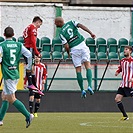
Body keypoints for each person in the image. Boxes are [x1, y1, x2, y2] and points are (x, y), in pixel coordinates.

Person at [0, 26, 34, 128]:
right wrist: (28, 67)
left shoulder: (2, 45)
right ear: (13, 35)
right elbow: (29, 54)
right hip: (15, 73)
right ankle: (0, 119)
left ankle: (28, 115)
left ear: (4, 35)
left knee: (11, 98)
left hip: (8, 75)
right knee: (4, 97)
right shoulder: (19, 45)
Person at [54, 17, 96, 98]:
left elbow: (66, 45)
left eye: (55, 22)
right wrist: (91, 33)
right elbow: (81, 26)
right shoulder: (72, 22)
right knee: (88, 66)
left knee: (78, 70)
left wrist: (68, 53)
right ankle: (90, 86)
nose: (55, 24)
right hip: (82, 45)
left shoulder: (61, 34)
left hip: (74, 49)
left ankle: (82, 90)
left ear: (59, 23)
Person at [23, 16, 43, 95]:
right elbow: (33, 41)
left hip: (27, 47)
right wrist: (36, 51)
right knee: (30, 67)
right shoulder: (33, 28)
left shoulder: (28, 27)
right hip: (29, 48)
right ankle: (31, 85)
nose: (39, 26)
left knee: (32, 68)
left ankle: (35, 87)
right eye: (39, 24)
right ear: (37, 22)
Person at [115, 45, 133, 120]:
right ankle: (125, 116)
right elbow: (121, 68)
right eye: (124, 49)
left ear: (130, 51)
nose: (124, 51)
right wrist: (117, 71)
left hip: (130, 84)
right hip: (123, 84)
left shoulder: (132, 61)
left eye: (126, 49)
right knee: (117, 98)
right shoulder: (122, 60)